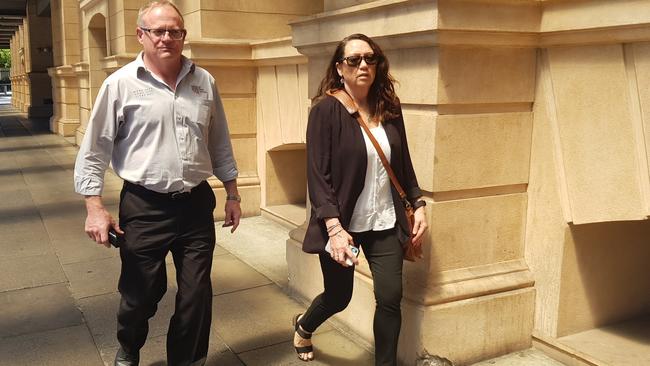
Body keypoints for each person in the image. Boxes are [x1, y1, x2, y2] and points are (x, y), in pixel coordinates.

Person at [73, 1, 241, 365]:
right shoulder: (120, 84)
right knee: (141, 294)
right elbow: (95, 148)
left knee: (197, 294)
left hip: (196, 204)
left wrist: (232, 192)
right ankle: (129, 347)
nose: (167, 38)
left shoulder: (204, 82)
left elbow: (219, 141)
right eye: (158, 31)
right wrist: (94, 207)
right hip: (144, 206)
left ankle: (186, 360)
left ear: (183, 35)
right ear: (141, 35)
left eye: (175, 31)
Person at [293, 34, 428, 365]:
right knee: (339, 297)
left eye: (370, 58)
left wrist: (419, 203)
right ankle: (304, 326)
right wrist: (334, 228)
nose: (363, 65)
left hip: (384, 220)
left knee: (390, 297)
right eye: (354, 60)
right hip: (343, 225)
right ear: (340, 68)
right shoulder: (325, 110)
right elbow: (318, 176)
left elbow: (403, 163)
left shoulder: (389, 107)